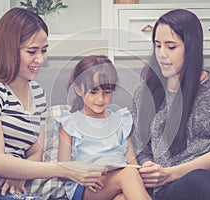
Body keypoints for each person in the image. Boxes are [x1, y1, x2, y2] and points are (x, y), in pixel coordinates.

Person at [0, 7, 106, 199]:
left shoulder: (37, 93)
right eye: (32, 51)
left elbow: (36, 151)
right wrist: (65, 169)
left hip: (2, 189)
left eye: (44, 50)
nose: (40, 59)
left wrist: (20, 172)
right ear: (8, 50)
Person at [132, 8, 210, 200]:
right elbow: (143, 150)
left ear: (191, 48)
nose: (162, 54)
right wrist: (154, 170)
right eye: (157, 46)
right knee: (198, 179)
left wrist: (169, 173)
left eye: (170, 47)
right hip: (173, 186)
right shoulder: (144, 93)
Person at [56, 55, 151, 200]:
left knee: (123, 196)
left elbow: (132, 164)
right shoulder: (70, 122)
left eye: (106, 92)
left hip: (119, 180)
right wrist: (85, 176)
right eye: (93, 92)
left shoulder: (121, 120)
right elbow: (63, 170)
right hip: (88, 186)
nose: (100, 99)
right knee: (129, 175)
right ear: (78, 89)